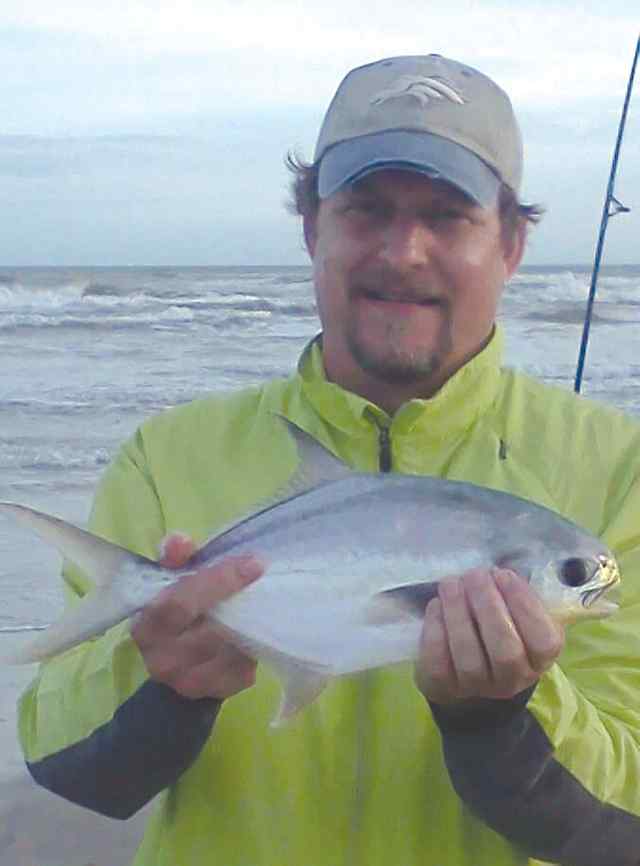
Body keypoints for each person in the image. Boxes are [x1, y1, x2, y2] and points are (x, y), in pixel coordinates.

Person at [17, 54, 640, 866]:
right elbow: (63, 763)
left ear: (512, 243)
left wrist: (501, 719)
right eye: (366, 209)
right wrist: (157, 685)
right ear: (314, 227)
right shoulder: (165, 458)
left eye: (448, 216)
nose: (404, 251)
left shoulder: (619, 471)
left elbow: (625, 822)